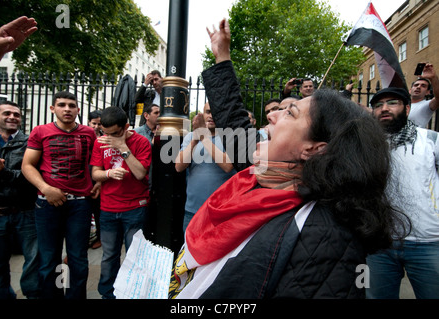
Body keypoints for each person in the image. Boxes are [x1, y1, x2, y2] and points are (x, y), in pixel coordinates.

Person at [168, 18, 407, 299]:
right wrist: (222, 55)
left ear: (312, 149)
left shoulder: (325, 237)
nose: (271, 115)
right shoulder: (265, 175)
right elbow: (234, 123)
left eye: (289, 113)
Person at [21, 91, 97, 299]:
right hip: (47, 204)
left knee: (77, 259)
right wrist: (46, 189)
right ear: (53, 109)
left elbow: (97, 162)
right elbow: (27, 166)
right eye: (62, 105)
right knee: (49, 259)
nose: (67, 109)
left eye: (71, 105)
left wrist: (98, 182)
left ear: (78, 110)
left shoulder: (89, 133)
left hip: (80, 205)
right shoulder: (40, 131)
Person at [366, 87, 439, 299]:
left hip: (428, 242)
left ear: (407, 109)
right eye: (378, 105)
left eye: (392, 103)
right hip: (380, 244)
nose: (384, 109)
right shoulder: (368, 146)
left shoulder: (431, 140)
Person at [90, 106, 151, 299]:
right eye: (104, 133)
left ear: (126, 126)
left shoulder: (141, 142)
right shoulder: (100, 143)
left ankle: (133, 293)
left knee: (135, 256)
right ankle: (108, 294)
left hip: (135, 207)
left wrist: (123, 148)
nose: (109, 138)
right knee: (109, 256)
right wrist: (107, 174)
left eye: (115, 133)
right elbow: (95, 173)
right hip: (108, 208)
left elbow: (141, 173)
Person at [0, 101, 39, 299]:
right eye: (7, 113)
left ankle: (33, 295)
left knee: (34, 261)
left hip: (25, 211)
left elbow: (33, 175)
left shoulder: (30, 143)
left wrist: (3, 172)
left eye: (16, 114)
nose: (12, 117)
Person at [175, 102, 236, 233]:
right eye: (208, 112)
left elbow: (227, 166)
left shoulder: (230, 137)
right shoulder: (190, 137)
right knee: (189, 252)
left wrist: (203, 137)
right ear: (202, 115)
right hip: (193, 211)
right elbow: (179, 167)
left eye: (216, 112)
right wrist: (194, 141)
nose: (212, 115)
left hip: (221, 212)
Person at [87, 110, 103, 250]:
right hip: (85, 178)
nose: (97, 126)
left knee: (98, 211)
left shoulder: (104, 137)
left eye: (99, 124)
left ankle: (99, 237)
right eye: (94, 123)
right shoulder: (85, 136)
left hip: (98, 179)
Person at [408, 63, 439, 127]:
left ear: (427, 92)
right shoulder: (401, 105)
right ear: (410, 91)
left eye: (423, 86)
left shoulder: (427, 105)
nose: (418, 87)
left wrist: (433, 78)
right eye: (416, 85)